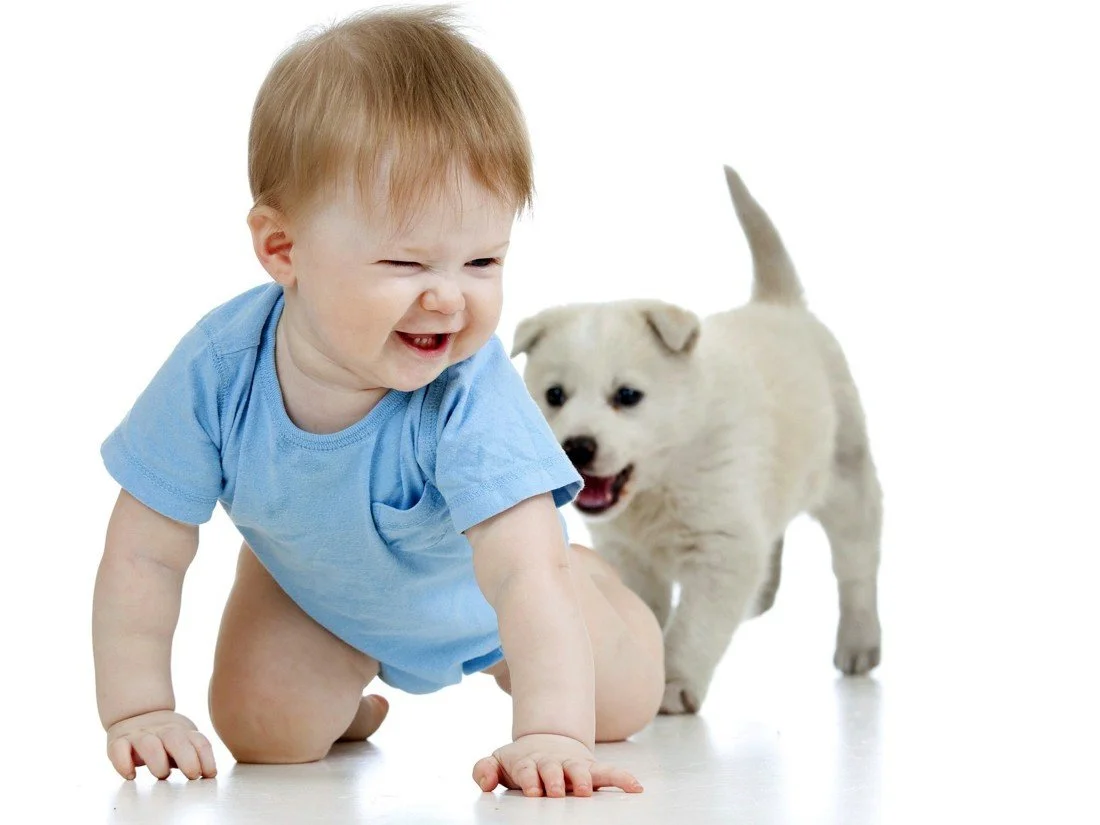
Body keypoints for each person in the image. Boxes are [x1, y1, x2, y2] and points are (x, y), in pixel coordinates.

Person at [92, 5, 664, 797]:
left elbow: (524, 577)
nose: (448, 298)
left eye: (482, 260)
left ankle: (595, 581)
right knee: (264, 732)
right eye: (406, 261)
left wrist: (548, 733)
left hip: (498, 600)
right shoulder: (218, 370)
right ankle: (341, 696)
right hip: (316, 590)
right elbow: (144, 550)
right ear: (283, 249)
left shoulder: (467, 393)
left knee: (619, 699)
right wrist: (139, 709)